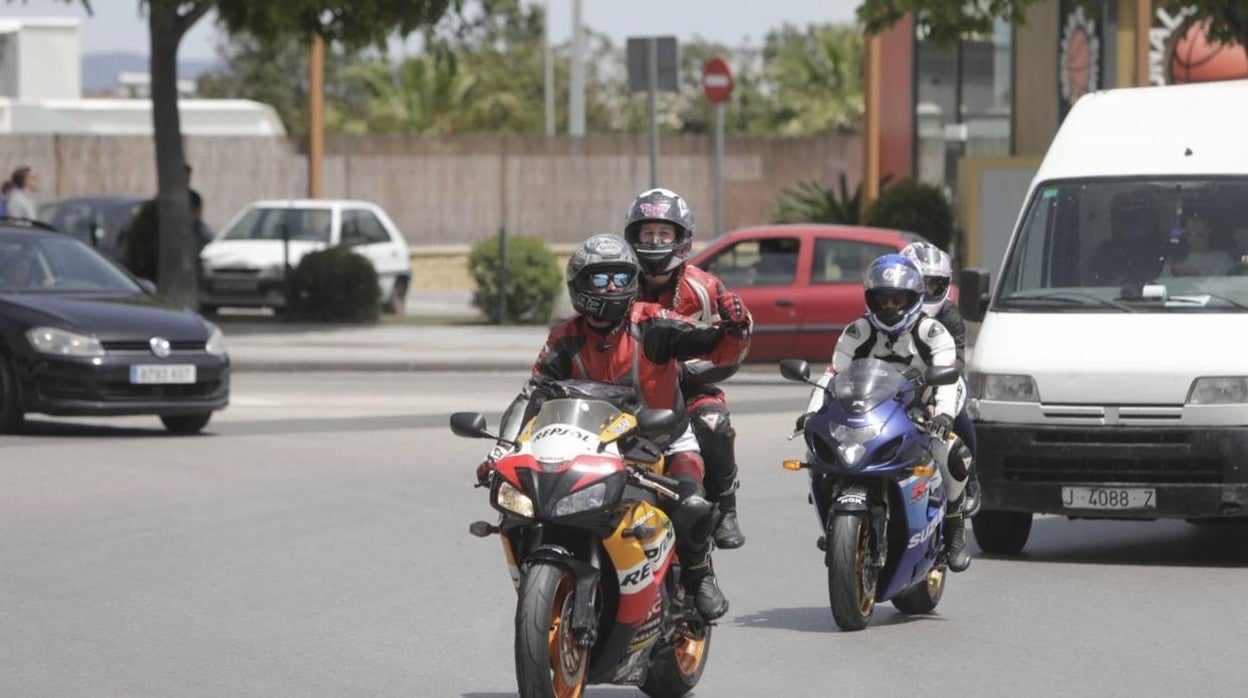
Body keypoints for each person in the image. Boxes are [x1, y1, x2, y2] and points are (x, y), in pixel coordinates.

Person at [479, 233, 752, 620]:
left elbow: (717, 346)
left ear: (634, 283)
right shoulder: (563, 338)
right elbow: (531, 397)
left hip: (664, 441)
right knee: (527, 506)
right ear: (579, 285)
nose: (611, 287)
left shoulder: (655, 323)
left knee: (690, 504)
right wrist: (501, 451)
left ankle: (699, 576)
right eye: (600, 278)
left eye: (621, 278)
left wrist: (737, 327)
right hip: (591, 447)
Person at [798, 254, 973, 572]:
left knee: (954, 453)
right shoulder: (857, 331)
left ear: (914, 299)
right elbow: (833, 373)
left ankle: (956, 526)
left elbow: (946, 376)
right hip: (869, 409)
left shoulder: (932, 332)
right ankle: (834, 523)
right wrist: (810, 413)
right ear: (870, 300)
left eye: (897, 299)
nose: (890, 306)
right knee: (817, 453)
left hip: (922, 406)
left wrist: (944, 416)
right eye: (883, 299)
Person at [623, 187, 752, 550]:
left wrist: (738, 329)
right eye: (647, 233)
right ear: (633, 237)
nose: (655, 240)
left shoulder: (706, 288)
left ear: (682, 239)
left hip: (690, 389)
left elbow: (730, 356)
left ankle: (725, 508)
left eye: (664, 233)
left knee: (714, 424)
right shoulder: (620, 282)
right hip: (626, 389)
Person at [900, 241, 979, 515]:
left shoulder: (950, 316)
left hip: (941, 379)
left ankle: (971, 480)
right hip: (898, 381)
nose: (926, 291)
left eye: (934, 285)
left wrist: (934, 396)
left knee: (961, 414)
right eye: (920, 284)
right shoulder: (888, 308)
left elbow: (954, 364)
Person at [1161, 211, 1234, 277]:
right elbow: (1164, 285)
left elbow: (1228, 287)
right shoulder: (1173, 260)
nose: (1194, 239)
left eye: (1200, 234)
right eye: (1189, 234)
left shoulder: (1223, 260)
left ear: (1211, 233)